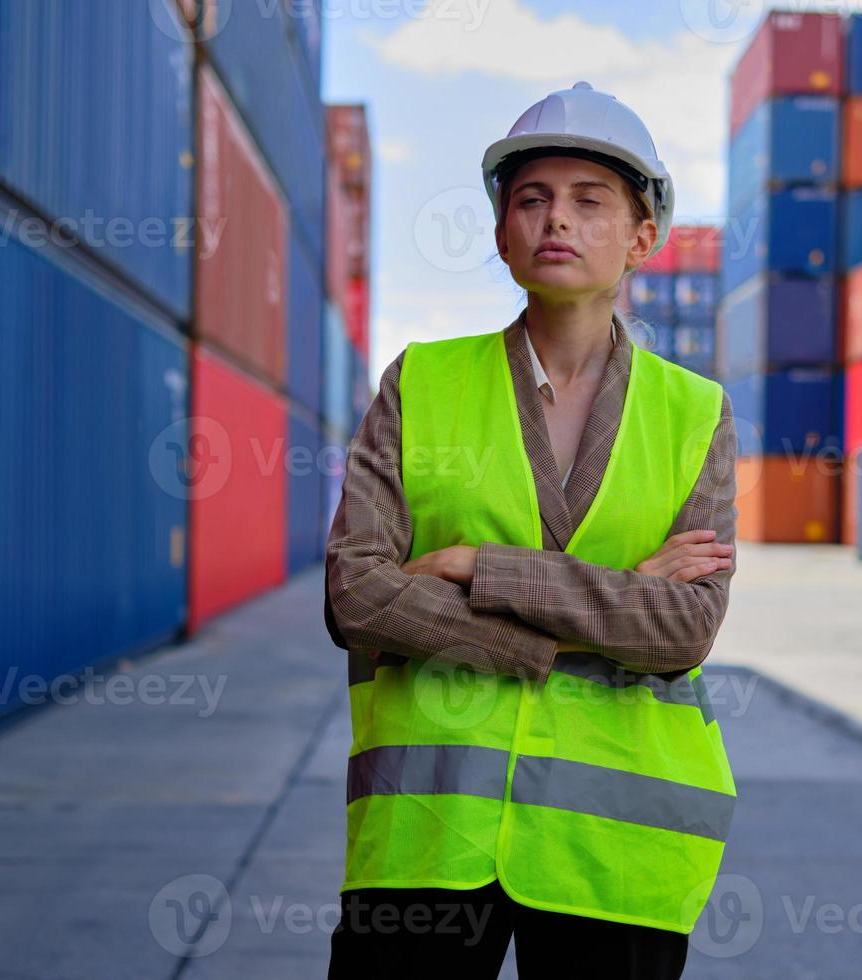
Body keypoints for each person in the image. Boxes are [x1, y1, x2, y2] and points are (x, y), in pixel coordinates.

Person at [323, 81, 739, 979]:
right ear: (502, 231)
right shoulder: (422, 383)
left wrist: (481, 569)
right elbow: (356, 594)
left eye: (591, 201)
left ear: (642, 238)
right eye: (531, 199)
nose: (558, 220)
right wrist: (595, 619)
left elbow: (684, 630)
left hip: (614, 857)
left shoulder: (693, 412)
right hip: (427, 833)